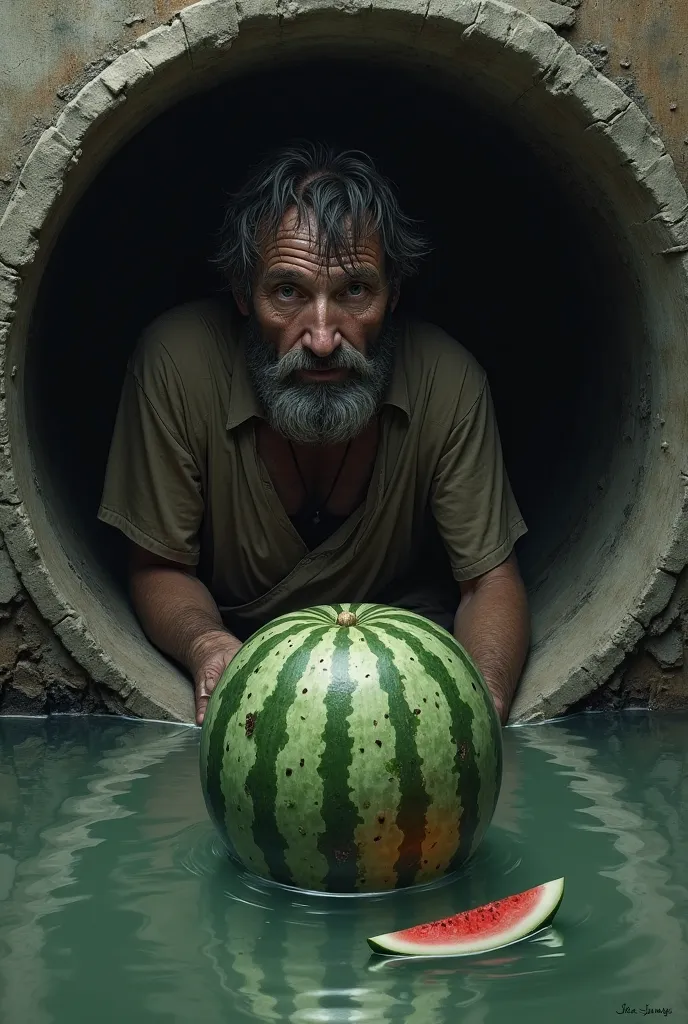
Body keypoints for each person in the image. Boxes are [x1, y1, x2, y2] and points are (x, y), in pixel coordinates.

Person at [98, 143, 530, 727]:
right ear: (242, 293)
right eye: (288, 293)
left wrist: (481, 707)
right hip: (244, 656)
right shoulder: (177, 366)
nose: (324, 337)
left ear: (392, 293)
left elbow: (488, 581)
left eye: (355, 291)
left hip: (401, 671)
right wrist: (207, 645)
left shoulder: (449, 382)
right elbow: (157, 567)